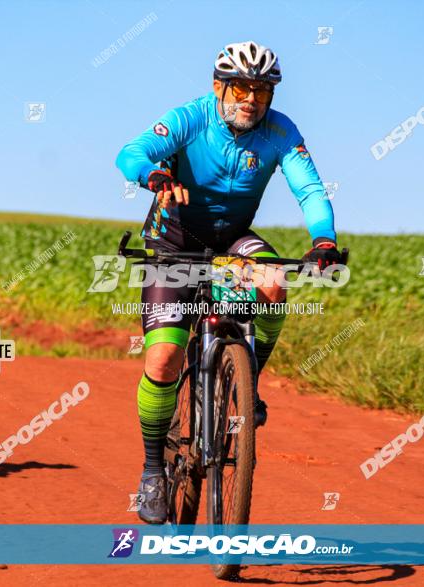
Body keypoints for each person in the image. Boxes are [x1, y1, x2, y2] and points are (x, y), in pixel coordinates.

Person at [115, 40, 341, 524]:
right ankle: (153, 469)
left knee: (275, 281)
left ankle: (246, 380)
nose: (252, 99)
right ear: (219, 86)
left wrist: (323, 240)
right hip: (173, 242)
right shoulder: (192, 117)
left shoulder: (282, 132)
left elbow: (311, 189)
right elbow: (133, 151)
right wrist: (154, 175)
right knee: (163, 357)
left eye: (263, 89)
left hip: (232, 240)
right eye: (242, 86)